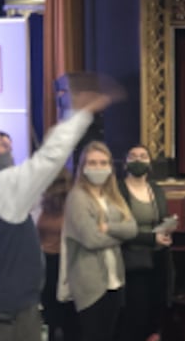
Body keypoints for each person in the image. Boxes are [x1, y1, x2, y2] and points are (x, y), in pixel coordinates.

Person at [0, 90, 115, 341]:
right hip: (11, 317)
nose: (10, 151)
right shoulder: (0, 186)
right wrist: (80, 114)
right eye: (2, 145)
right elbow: (49, 159)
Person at [59, 141, 138, 341]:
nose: (98, 167)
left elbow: (133, 229)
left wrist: (109, 228)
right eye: (92, 163)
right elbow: (91, 239)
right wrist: (120, 236)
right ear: (83, 166)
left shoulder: (113, 197)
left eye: (103, 163)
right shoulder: (77, 198)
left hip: (115, 282)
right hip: (90, 286)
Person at [116, 145, 173, 341]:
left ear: (150, 163)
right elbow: (118, 230)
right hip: (130, 263)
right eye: (133, 156)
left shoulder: (155, 189)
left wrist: (166, 230)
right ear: (125, 163)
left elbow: (159, 220)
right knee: (134, 318)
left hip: (156, 260)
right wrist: (150, 238)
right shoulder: (118, 190)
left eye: (143, 156)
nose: (138, 160)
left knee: (153, 318)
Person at [37, 168, 79, 341]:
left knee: (68, 316)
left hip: (67, 264)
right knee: (48, 318)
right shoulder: (39, 203)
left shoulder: (73, 204)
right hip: (44, 264)